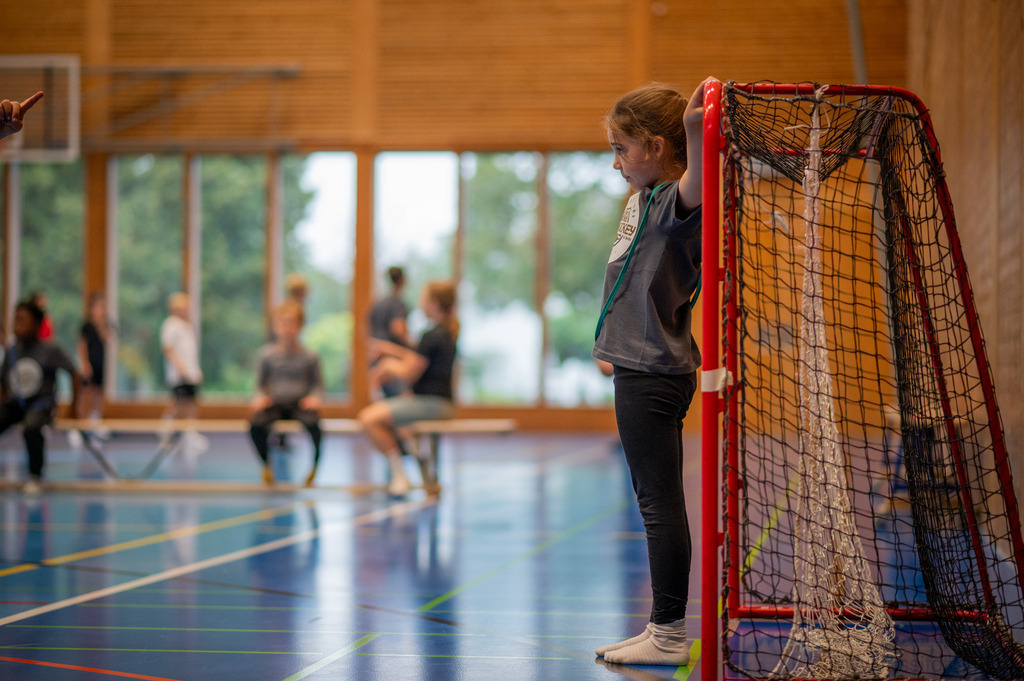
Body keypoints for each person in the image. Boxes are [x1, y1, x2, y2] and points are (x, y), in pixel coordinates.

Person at [591, 78, 710, 667]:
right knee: (654, 499)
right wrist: (610, 341)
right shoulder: (643, 199)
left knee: (658, 502)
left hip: (654, 374)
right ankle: (663, 628)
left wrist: (695, 122)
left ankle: (667, 634)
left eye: (622, 148)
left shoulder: (674, 204)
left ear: (657, 146)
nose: (616, 162)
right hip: (640, 365)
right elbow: (629, 280)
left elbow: (696, 175)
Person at [358, 280, 458, 496]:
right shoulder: (443, 332)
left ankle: (399, 474)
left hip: (432, 405)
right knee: (399, 424)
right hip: (434, 403)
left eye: (424, 299)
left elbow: (410, 370)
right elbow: (417, 357)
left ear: (433, 303)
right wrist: (391, 351)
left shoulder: (432, 335)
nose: (420, 304)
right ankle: (418, 460)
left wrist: (387, 366)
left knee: (369, 418)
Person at [0, 299, 80, 492]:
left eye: (22, 320)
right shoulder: (12, 351)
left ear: (36, 325)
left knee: (32, 426)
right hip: (17, 404)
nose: (17, 325)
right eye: (15, 320)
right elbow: (3, 380)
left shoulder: (49, 350)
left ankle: (35, 475)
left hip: (41, 404)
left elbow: (74, 373)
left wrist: (74, 407)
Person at [249, 300, 324, 487]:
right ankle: (266, 464)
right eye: (282, 323)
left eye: (291, 323)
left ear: (300, 326)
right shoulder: (267, 355)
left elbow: (318, 384)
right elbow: (259, 384)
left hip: (300, 404)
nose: (286, 328)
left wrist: (314, 397)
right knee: (255, 424)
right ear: (275, 327)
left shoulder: (310, 355)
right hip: (275, 403)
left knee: (315, 426)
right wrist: (259, 397)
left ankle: (313, 467)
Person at [160, 292, 206, 451]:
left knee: (192, 402)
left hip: (191, 373)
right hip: (179, 374)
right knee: (178, 403)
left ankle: (190, 431)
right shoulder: (171, 325)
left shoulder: (187, 326)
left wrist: (195, 370)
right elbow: (169, 348)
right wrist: (180, 368)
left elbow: (191, 352)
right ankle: (166, 430)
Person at [368, 266, 411, 398]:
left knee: (381, 398)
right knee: (399, 400)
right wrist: (412, 347)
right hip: (392, 357)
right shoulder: (398, 304)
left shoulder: (377, 304)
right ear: (402, 281)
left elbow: (367, 331)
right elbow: (398, 328)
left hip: (375, 355)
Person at [76, 292, 114, 423]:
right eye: (98, 307)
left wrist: (102, 324)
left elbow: (109, 338)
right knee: (87, 391)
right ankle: (81, 419)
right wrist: (85, 362)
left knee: (99, 391)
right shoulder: (87, 326)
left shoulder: (104, 325)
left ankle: (96, 418)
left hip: (100, 362)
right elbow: (82, 345)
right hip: (90, 362)